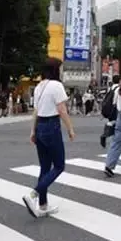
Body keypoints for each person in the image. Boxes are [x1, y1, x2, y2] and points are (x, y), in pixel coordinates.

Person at [24, 58, 76, 218]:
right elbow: (62, 110)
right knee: (59, 166)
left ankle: (43, 204)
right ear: (55, 70)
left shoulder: (39, 86)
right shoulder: (57, 85)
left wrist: (33, 131)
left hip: (40, 126)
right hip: (51, 126)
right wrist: (70, 129)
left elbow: (36, 111)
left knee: (45, 167)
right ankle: (34, 194)